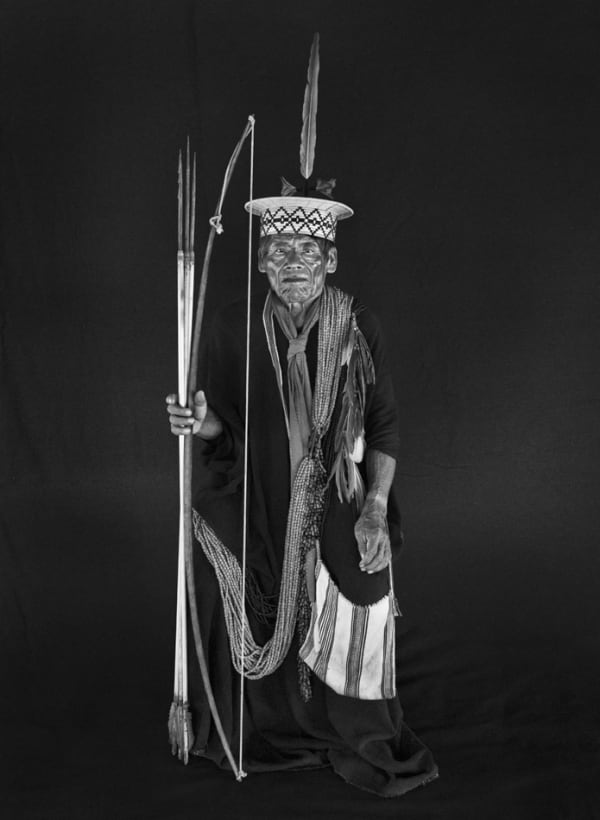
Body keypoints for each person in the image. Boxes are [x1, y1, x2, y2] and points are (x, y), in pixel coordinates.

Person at [165, 187, 439, 796]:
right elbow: (224, 429)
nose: (294, 261)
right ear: (262, 261)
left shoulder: (357, 323)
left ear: (331, 260)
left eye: (308, 249)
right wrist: (199, 421)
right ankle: (251, 720)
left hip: (338, 492)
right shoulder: (232, 326)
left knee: (364, 577)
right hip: (258, 491)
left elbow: (383, 425)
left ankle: (351, 729)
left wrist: (372, 508)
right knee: (213, 572)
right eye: (280, 249)